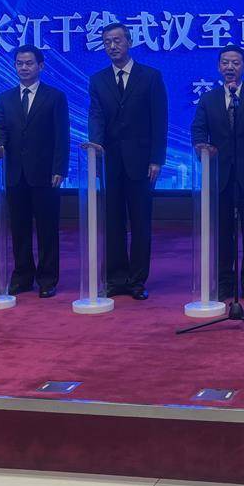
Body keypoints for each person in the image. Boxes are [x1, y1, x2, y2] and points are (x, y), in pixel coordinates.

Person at [190, 44, 244, 304]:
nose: (230, 67)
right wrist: (201, 148)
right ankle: (225, 283)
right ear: (219, 67)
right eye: (225, 63)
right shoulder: (208, 99)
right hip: (220, 176)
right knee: (222, 232)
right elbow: (198, 130)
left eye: (235, 63)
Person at [87, 22, 167, 300]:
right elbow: (96, 116)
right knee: (113, 222)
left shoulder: (150, 77)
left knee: (140, 222)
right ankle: (116, 278)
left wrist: (157, 158)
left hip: (142, 162)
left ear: (129, 42)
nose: (112, 46)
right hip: (110, 162)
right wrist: (95, 150)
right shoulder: (98, 80)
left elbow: (159, 120)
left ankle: (137, 280)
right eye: (107, 42)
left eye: (117, 40)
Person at [0, 45, 70, 298]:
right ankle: (23, 276)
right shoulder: (5, 98)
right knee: (19, 228)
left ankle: (47, 278)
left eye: (29, 63)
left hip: (46, 174)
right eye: (19, 63)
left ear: (40, 66)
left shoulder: (55, 96)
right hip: (15, 173)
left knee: (47, 229)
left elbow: (62, 136)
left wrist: (60, 168)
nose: (24, 68)